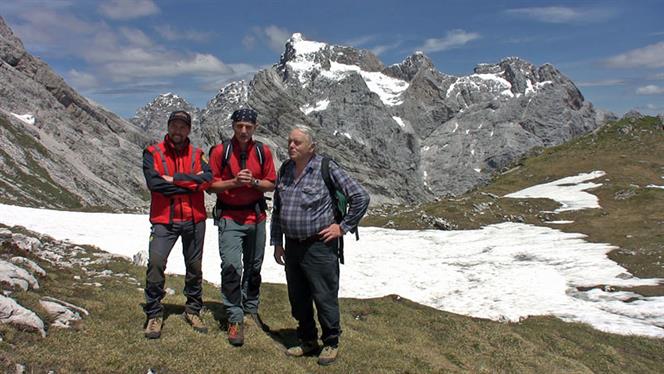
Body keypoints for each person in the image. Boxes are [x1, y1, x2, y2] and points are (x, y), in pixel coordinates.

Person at [271, 124, 370, 366]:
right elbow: (277, 208)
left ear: (311, 147)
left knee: (324, 295)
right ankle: (307, 340)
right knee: (298, 296)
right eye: (289, 141)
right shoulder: (285, 169)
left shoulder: (326, 167)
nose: (291, 146)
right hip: (292, 246)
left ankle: (331, 342)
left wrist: (342, 227)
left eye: (297, 142)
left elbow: (360, 196)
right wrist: (277, 242)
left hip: (319, 246)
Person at [208, 108, 276, 346]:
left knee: (254, 266)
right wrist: (234, 182)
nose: (244, 131)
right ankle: (234, 317)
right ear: (233, 127)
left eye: (248, 126)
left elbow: (271, 184)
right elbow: (211, 185)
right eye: (239, 126)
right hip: (229, 217)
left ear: (255, 127)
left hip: (256, 217)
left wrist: (254, 182)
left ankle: (251, 307)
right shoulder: (220, 151)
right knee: (230, 266)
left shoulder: (263, 151)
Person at [141, 110, 212, 339]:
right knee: (156, 262)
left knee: (194, 266)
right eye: (174, 126)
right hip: (165, 219)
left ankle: (192, 308)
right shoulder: (152, 152)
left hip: (194, 219)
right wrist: (190, 185)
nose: (178, 130)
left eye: (182, 127)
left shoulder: (198, 154)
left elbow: (208, 179)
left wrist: (176, 180)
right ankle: (153, 312)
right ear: (168, 127)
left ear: (189, 129)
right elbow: (154, 184)